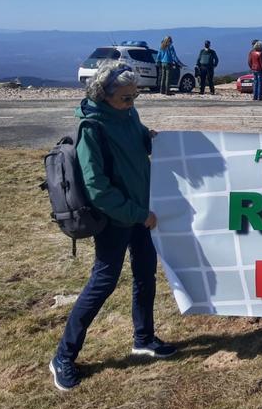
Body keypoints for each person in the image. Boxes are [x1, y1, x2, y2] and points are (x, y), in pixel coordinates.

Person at [49, 61, 176, 391]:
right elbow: (98, 189)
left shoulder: (128, 113)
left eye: (136, 97)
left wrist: (149, 139)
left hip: (139, 211)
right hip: (117, 218)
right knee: (103, 283)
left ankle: (144, 338)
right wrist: (137, 213)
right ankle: (63, 356)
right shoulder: (92, 128)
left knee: (145, 274)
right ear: (103, 95)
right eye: (125, 98)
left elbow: (135, 140)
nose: (132, 103)